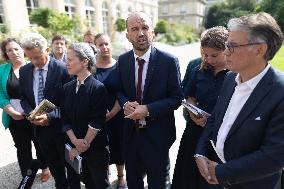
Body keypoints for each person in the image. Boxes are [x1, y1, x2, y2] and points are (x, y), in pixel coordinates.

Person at [195, 12, 284, 189]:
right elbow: (216, 118)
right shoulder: (230, 78)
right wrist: (200, 153)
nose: (226, 52)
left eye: (232, 46)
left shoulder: (280, 92)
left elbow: (274, 156)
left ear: (260, 49)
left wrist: (221, 172)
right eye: (227, 45)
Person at [116, 12, 183, 189]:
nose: (141, 33)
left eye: (145, 28)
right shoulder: (122, 61)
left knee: (158, 184)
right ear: (127, 35)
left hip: (158, 136)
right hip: (131, 135)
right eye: (135, 29)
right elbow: (119, 90)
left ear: (152, 32)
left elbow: (177, 98)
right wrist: (124, 103)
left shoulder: (168, 61)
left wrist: (148, 109)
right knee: (134, 183)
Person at [172, 26, 229, 189]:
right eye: (205, 54)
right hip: (195, 131)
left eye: (214, 55)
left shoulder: (236, 73)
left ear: (227, 50)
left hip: (220, 136)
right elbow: (189, 97)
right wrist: (193, 113)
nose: (209, 59)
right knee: (189, 176)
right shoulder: (199, 69)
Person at [19, 33, 70, 189]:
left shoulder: (63, 69)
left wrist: (50, 116)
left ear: (47, 50)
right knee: (54, 165)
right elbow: (23, 98)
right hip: (40, 129)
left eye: (38, 57)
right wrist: (30, 113)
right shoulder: (25, 70)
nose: (35, 62)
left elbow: (69, 103)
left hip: (62, 127)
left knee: (70, 165)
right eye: (30, 58)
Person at [62, 42, 110, 189]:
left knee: (100, 183)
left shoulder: (98, 88)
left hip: (95, 148)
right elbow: (64, 117)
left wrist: (82, 145)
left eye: (70, 59)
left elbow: (97, 121)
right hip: (73, 146)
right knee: (86, 182)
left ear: (84, 61)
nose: (66, 63)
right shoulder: (67, 87)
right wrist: (74, 141)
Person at [0, 38, 49, 181]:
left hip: (36, 114)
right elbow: (1, 95)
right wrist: (11, 112)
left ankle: (45, 168)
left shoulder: (34, 66)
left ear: (23, 50)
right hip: (14, 117)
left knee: (40, 142)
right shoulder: (2, 70)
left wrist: (39, 112)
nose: (14, 52)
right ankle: (27, 176)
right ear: (6, 54)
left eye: (16, 49)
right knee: (22, 147)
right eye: (9, 50)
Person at [94, 33, 127, 188]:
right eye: (100, 45)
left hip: (117, 115)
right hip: (97, 117)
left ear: (111, 45)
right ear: (96, 47)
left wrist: (112, 113)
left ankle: (121, 177)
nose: (104, 47)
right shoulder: (92, 68)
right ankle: (105, 174)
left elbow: (124, 91)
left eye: (106, 44)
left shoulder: (120, 66)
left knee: (119, 147)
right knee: (101, 147)